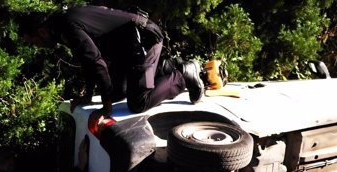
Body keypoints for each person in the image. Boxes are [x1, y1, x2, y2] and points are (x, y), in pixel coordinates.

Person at [19, 5, 204, 115]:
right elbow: (87, 61)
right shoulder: (59, 24)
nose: (36, 46)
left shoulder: (66, 27)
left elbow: (96, 62)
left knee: (139, 103)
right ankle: (171, 66)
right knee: (117, 92)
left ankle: (182, 75)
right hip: (127, 49)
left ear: (41, 31)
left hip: (145, 41)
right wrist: (89, 95)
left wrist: (106, 106)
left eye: (33, 41)